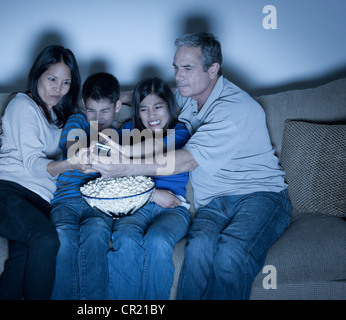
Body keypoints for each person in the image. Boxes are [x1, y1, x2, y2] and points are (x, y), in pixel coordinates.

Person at [91, 32, 291, 300]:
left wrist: (124, 167)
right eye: (176, 67)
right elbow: (155, 96)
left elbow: (184, 159)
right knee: (197, 251)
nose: (178, 75)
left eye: (187, 68)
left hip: (260, 196)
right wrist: (114, 100)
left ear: (213, 69)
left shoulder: (236, 109)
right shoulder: (189, 96)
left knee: (231, 253)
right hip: (213, 203)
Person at [0, 45, 88, 300]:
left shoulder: (62, 117)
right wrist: (72, 163)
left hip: (39, 205)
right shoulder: (21, 105)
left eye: (65, 83)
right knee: (46, 239)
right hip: (4, 196)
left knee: (22, 260)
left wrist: (126, 98)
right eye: (52, 79)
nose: (57, 89)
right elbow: (33, 165)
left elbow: (98, 98)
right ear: (38, 74)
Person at [97, 77, 191, 299]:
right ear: (136, 112)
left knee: (157, 240)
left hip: (173, 207)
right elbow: (113, 173)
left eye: (158, 107)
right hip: (136, 205)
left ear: (169, 105)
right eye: (144, 109)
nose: (152, 116)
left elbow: (157, 146)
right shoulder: (127, 130)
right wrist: (151, 195)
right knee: (126, 238)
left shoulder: (180, 131)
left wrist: (121, 150)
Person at [50, 72, 122, 299]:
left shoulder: (123, 132)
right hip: (67, 199)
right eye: (92, 110)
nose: (98, 118)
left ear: (117, 106)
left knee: (96, 233)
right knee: (63, 236)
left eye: (105, 111)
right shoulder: (77, 121)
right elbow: (76, 152)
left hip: (99, 204)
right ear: (83, 105)